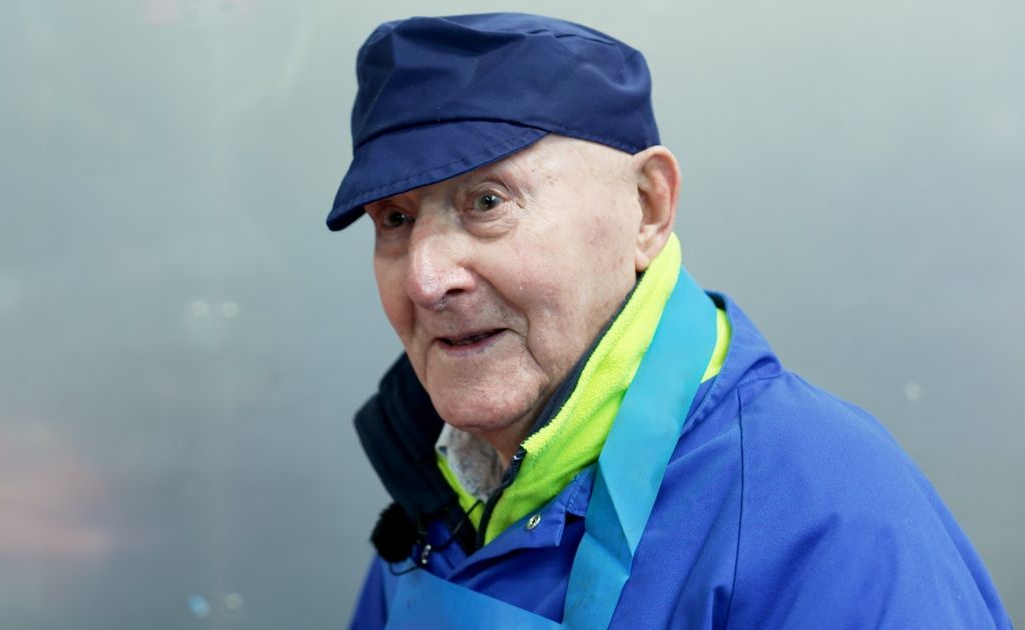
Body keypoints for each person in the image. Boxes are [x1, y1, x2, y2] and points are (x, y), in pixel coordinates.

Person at [327, 12, 1011, 629]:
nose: (425, 279)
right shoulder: (439, 480)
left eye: (486, 202)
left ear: (648, 207)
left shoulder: (825, 518)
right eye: (396, 219)